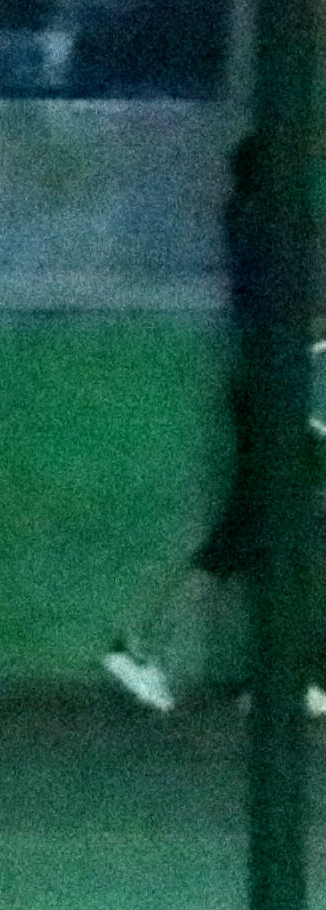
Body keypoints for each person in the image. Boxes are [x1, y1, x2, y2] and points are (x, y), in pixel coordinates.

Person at [103, 139, 309, 716]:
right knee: (251, 531)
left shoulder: (255, 226)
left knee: (261, 533)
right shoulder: (269, 233)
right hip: (275, 392)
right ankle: (146, 643)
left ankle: (276, 672)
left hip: (269, 388)